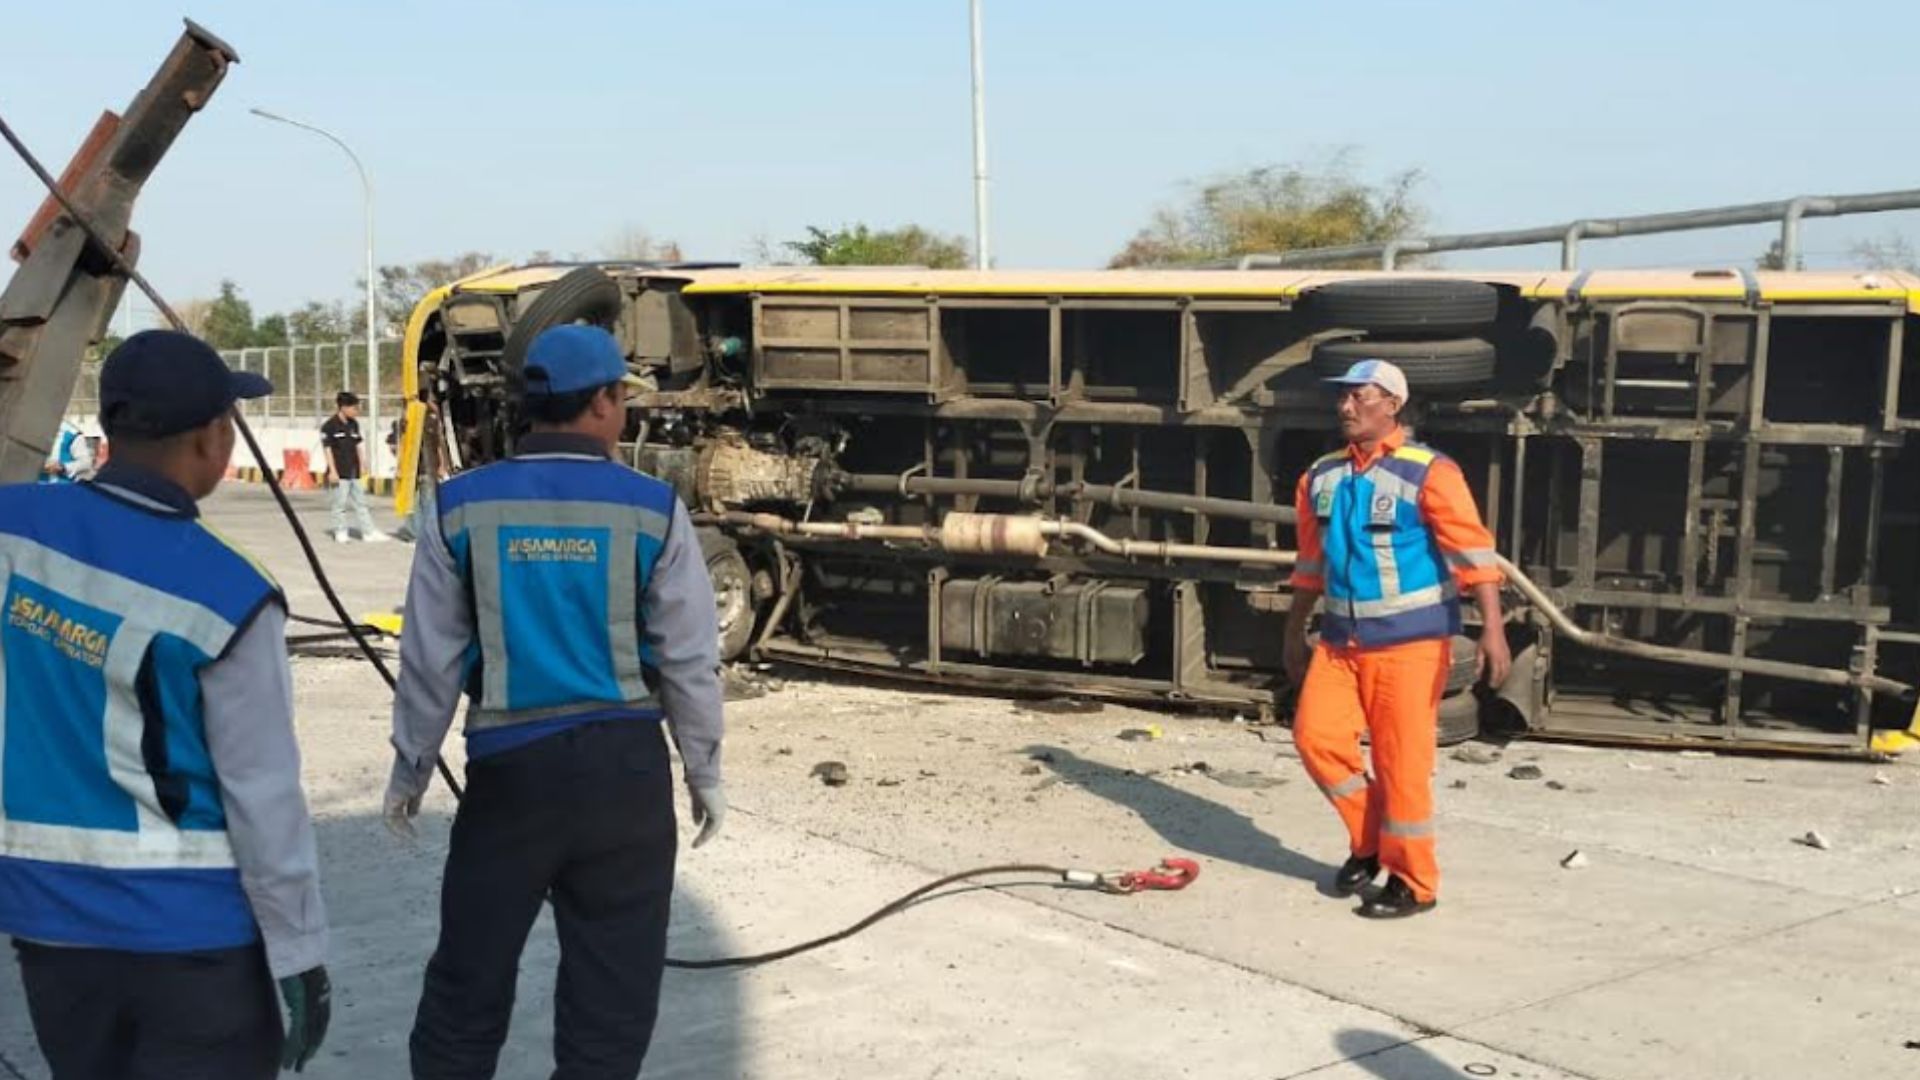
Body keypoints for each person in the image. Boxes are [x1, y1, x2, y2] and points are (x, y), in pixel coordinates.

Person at [385, 324, 726, 1079]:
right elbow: (690, 661)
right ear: (604, 402)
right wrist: (704, 771)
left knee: (467, 984)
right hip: (625, 781)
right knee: (611, 1001)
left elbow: (428, 660)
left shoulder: (460, 506)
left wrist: (410, 769)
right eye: (621, 398)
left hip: (510, 777)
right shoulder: (655, 509)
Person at [0, 330, 331, 1076]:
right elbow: (264, 795)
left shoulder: (14, 527)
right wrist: (300, 950)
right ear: (215, 439)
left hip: (49, 929)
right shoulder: (231, 593)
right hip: (191, 942)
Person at [1283, 359, 1511, 919]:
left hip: (1411, 646)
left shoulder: (1429, 472)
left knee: (1401, 764)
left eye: (1360, 396)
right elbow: (1310, 562)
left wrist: (1494, 631)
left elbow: (1474, 554)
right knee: (1317, 741)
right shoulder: (1321, 477)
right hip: (1340, 643)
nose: (1346, 407)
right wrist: (1293, 630)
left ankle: (1414, 882)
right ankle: (1371, 842)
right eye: (1343, 397)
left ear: (1393, 405)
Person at [320, 390, 389, 543]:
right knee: (340, 504)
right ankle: (340, 531)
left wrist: (363, 463)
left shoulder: (353, 424)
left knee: (361, 503)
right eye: (354, 408)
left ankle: (368, 532)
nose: (356, 411)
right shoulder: (329, 426)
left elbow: (358, 445)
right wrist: (332, 471)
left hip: (354, 470)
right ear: (343, 407)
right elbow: (327, 449)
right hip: (340, 471)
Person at [38, 417, 94, 484]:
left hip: (65, 487)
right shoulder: (33, 433)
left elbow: (86, 463)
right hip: (40, 486)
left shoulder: (71, 436)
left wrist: (63, 467)